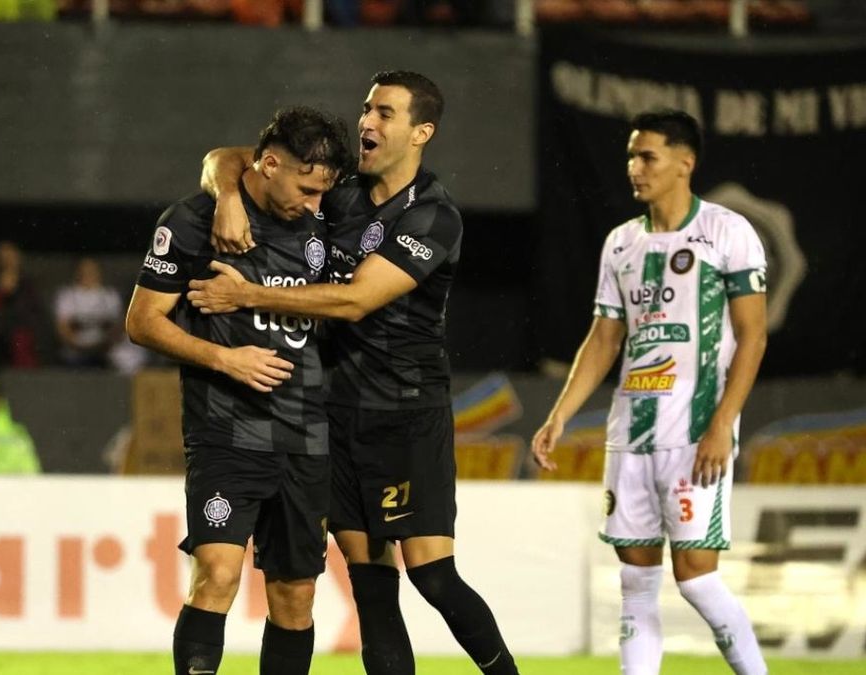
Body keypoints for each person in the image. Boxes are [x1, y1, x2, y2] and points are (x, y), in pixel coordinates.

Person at [190, 71, 519, 674]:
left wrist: (250, 297)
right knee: (370, 589)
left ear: (422, 132)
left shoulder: (434, 218)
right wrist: (230, 196)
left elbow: (356, 300)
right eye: (367, 108)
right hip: (334, 415)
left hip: (404, 413)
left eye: (385, 113)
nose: (367, 122)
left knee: (433, 575)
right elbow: (228, 158)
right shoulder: (338, 188)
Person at [530, 109, 768, 675]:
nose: (635, 168)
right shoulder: (621, 244)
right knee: (636, 584)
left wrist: (722, 425)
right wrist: (560, 415)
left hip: (695, 433)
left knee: (697, 580)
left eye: (648, 157)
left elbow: (753, 337)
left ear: (685, 163)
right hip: (629, 432)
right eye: (632, 156)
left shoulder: (728, 232)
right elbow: (605, 338)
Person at [126, 106, 353, 675]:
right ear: (269, 164)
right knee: (218, 575)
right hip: (225, 429)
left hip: (306, 433)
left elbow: (225, 159)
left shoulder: (322, 223)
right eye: (304, 188)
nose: (313, 203)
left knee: (296, 595)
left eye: (321, 192)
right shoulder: (193, 220)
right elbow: (143, 321)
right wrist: (223, 358)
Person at [0, 240, 50, 375]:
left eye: (10, 256)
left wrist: (12, 295)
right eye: (3, 257)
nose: (7, 261)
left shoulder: (28, 285)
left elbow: (32, 315)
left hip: (20, 335)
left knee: (21, 342)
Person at [55, 257, 123, 368]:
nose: (87, 274)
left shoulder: (110, 295)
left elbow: (117, 328)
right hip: (74, 350)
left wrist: (101, 347)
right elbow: (63, 329)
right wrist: (82, 348)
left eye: (92, 270)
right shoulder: (67, 295)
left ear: (99, 272)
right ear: (77, 272)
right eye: (84, 270)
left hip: (106, 349)